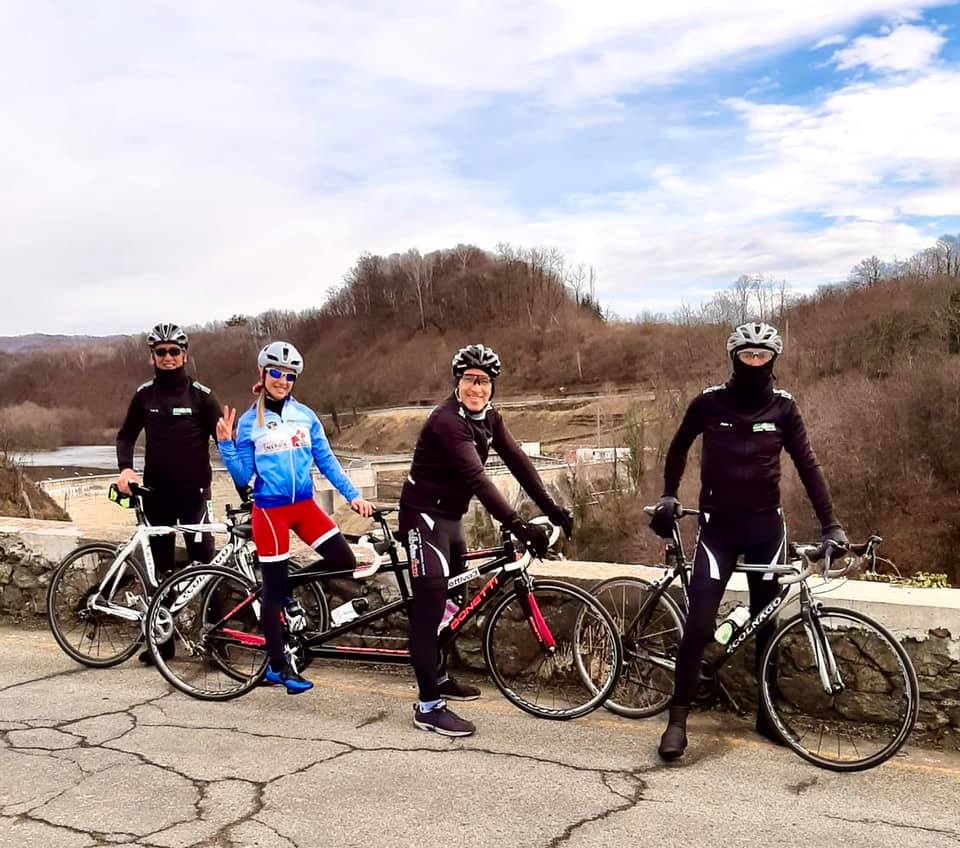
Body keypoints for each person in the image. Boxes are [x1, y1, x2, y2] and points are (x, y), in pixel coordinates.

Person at [650, 321, 847, 761]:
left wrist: (830, 524)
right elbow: (678, 448)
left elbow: (809, 465)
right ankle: (677, 721)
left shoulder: (784, 408)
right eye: (747, 354)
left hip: (765, 529)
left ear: (773, 360)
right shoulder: (708, 402)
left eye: (762, 355)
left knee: (766, 622)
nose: (755, 362)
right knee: (698, 624)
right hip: (717, 528)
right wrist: (668, 493)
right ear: (734, 358)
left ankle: (766, 715)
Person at [399, 343, 573, 736]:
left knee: (453, 603)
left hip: (450, 519)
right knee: (429, 611)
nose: (477, 388)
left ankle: (438, 677)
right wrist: (519, 525)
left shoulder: (490, 418)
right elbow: (478, 480)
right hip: (422, 517)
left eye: (484, 381)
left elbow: (519, 463)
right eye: (470, 380)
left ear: (493, 386)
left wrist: (553, 509)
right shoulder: (447, 422)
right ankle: (428, 707)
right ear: (457, 382)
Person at [217, 341, 374, 694]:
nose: (282, 380)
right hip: (270, 511)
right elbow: (243, 477)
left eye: (289, 376)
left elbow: (327, 461)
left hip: (304, 506)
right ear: (262, 374)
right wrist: (226, 445)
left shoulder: (305, 415)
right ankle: (279, 667)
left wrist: (353, 496)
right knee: (272, 594)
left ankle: (284, 586)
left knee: (343, 560)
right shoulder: (249, 422)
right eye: (276, 372)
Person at [116, 322, 222, 662]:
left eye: (174, 351)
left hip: (195, 495)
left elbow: (227, 444)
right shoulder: (144, 395)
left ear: (184, 355)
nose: (167, 357)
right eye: (160, 352)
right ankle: (163, 643)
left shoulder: (202, 396)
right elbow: (125, 436)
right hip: (156, 495)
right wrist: (126, 468)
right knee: (159, 570)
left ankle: (216, 644)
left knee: (206, 567)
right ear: (152, 356)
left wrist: (246, 485)